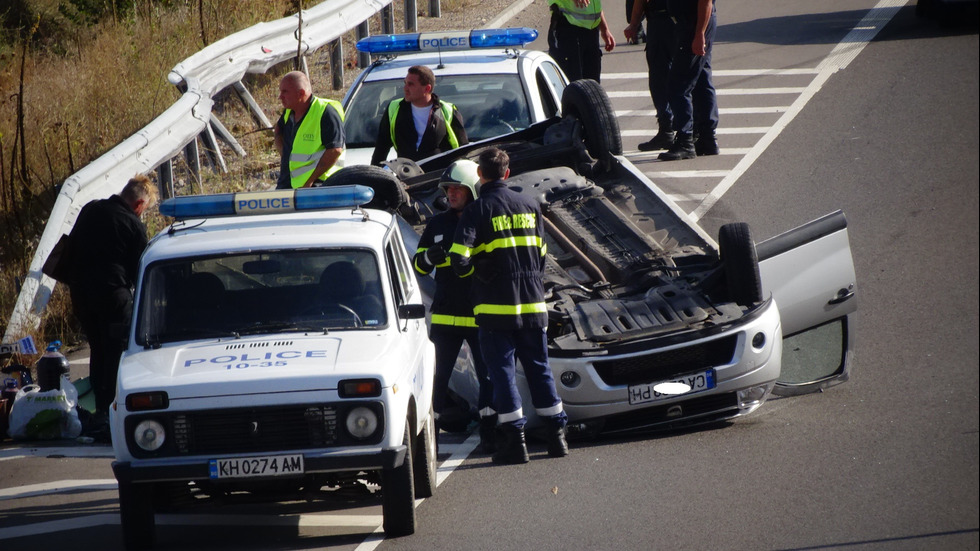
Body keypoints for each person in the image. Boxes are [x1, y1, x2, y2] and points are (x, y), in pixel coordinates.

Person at [450, 148, 568, 465]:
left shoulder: (478, 210)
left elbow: (458, 261)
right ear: (506, 172)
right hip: (532, 304)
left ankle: (515, 442)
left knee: (502, 376)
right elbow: (542, 255)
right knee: (539, 369)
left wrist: (478, 268)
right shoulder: (530, 205)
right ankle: (557, 437)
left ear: (480, 175)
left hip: (494, 310)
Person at [413, 160, 496, 453]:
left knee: (489, 377)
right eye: (448, 189)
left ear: (472, 189)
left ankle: (490, 433)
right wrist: (428, 259)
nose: (451, 194)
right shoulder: (437, 223)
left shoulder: (483, 219)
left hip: (480, 315)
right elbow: (418, 266)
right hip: (446, 316)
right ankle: (429, 441)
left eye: (457, 189)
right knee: (435, 379)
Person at [64, 174, 158, 429]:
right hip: (113, 297)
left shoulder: (91, 208)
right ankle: (110, 409)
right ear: (139, 205)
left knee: (97, 347)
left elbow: (70, 249)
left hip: (81, 295)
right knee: (115, 351)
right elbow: (140, 270)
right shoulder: (133, 224)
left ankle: (98, 411)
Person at [371, 65, 469, 166]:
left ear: (427, 88)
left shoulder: (447, 111)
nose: (405, 88)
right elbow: (381, 148)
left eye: (411, 84)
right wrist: (373, 177)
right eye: (405, 83)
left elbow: (462, 151)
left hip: (438, 177)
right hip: (406, 177)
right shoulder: (394, 108)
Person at [658, 0, 719, 160]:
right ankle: (707, 138)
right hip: (692, 24)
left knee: (677, 87)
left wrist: (699, 34)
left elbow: (705, 2)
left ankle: (685, 141)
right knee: (701, 81)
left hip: (695, 26)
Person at [274, 70, 346, 189]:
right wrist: (285, 154)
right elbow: (278, 130)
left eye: (285, 92)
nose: (280, 97)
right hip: (287, 184)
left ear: (300, 93)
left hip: (317, 186)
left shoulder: (325, 112)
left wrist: (309, 182)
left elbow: (335, 150)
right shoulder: (289, 111)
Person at [625, 0, 677, 151]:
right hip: (680, 20)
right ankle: (691, 132)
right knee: (682, 76)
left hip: (662, 21)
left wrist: (634, 23)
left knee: (660, 79)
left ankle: (669, 130)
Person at [547, 0, 616, 82]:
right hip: (567, 30)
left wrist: (604, 28)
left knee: (592, 86)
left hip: (591, 31)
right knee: (570, 84)